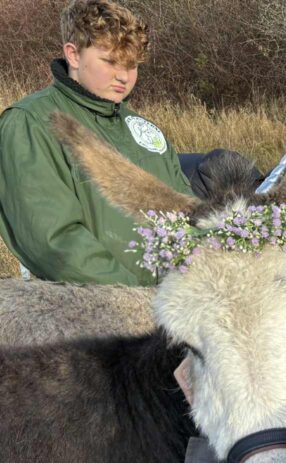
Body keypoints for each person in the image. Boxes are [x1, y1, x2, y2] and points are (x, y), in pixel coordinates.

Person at [0, 0, 192, 286]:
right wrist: (135, 298)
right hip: (96, 307)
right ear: (73, 55)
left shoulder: (143, 130)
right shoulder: (29, 123)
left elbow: (188, 216)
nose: (123, 76)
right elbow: (54, 241)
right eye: (111, 61)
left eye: (132, 65)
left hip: (170, 304)